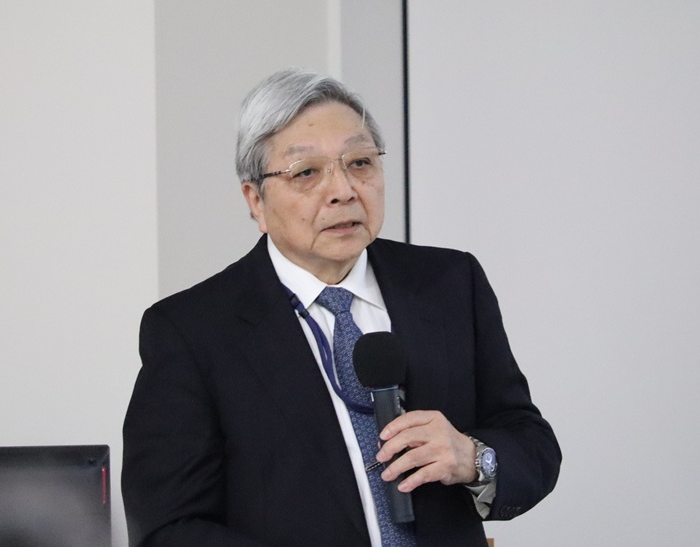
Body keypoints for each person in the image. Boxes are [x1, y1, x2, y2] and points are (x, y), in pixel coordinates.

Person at [122, 68, 561, 547]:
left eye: (360, 162)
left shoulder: (449, 283)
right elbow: (169, 527)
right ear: (256, 200)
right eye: (307, 172)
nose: (344, 190)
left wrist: (473, 457)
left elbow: (532, 444)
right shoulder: (194, 331)